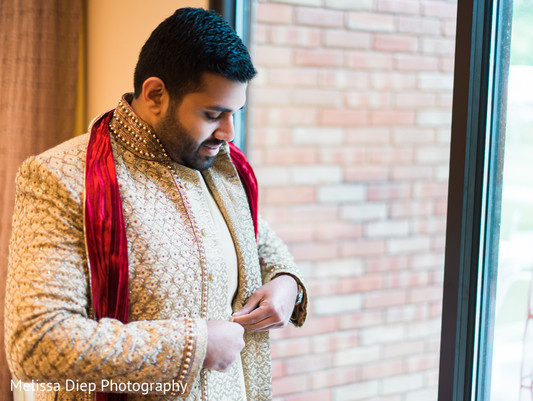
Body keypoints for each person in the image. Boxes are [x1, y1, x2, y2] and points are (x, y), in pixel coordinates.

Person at [5, 7, 307, 401]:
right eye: (213, 114)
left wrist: (287, 284)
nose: (230, 133)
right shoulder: (61, 177)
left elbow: (263, 246)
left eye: (235, 114)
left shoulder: (223, 172)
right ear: (155, 95)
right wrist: (193, 345)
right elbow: (36, 342)